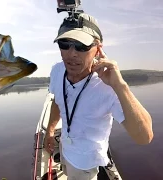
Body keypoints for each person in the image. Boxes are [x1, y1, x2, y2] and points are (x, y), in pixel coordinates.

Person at [44, 12, 153, 180]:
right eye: (64, 44)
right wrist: (50, 131)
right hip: (65, 147)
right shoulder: (57, 71)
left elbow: (144, 137)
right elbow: (58, 101)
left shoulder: (108, 86)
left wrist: (120, 86)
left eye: (81, 46)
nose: (71, 53)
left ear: (98, 49)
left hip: (87, 163)